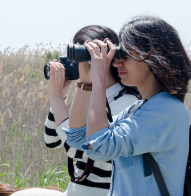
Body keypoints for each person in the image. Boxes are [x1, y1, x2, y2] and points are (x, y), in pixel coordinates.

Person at [64, 15, 191, 196]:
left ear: (154, 57)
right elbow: (78, 140)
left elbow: (99, 146)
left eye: (127, 54)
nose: (117, 62)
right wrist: (86, 83)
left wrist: (99, 79)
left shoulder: (167, 110)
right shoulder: (137, 109)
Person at [45, 25, 140, 196]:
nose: (75, 64)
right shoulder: (88, 96)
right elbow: (51, 140)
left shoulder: (127, 103)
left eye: (78, 57)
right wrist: (63, 93)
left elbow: (76, 149)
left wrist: (56, 98)